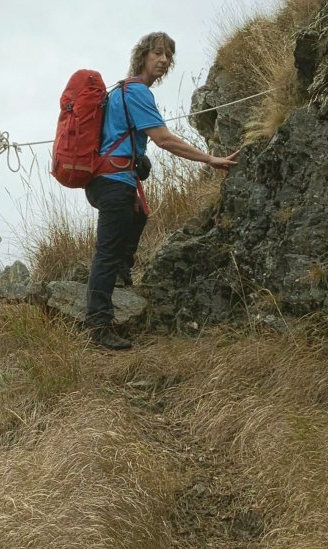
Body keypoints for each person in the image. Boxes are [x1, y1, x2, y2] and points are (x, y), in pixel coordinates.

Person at [85, 31, 237, 350]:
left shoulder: (119, 91)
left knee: (139, 213)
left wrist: (137, 158)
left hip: (106, 179)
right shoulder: (138, 92)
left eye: (168, 55)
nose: (164, 60)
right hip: (114, 182)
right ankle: (98, 325)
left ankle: (121, 272)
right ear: (143, 56)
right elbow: (164, 138)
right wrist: (209, 158)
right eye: (157, 53)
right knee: (106, 252)